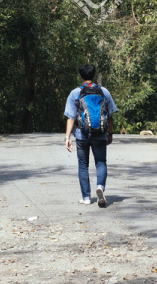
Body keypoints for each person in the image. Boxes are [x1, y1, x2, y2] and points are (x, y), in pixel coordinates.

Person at [64, 64, 117, 207]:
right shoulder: (104, 91)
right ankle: (100, 186)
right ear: (93, 75)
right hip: (100, 133)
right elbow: (110, 115)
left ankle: (86, 197)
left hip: (82, 135)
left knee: (83, 165)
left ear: (80, 76)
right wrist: (110, 133)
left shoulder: (75, 93)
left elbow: (71, 118)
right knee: (101, 162)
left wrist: (67, 137)